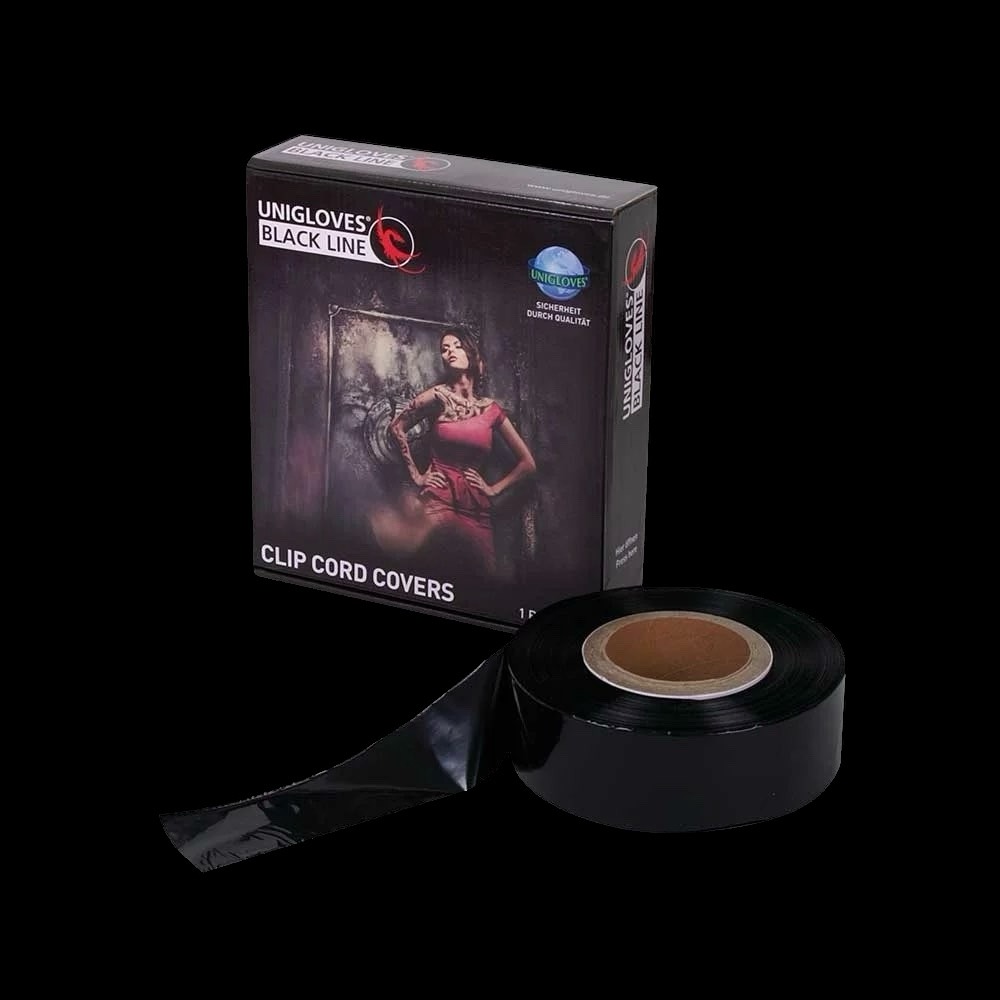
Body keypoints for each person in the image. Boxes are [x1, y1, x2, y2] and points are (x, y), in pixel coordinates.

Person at [384, 330, 536, 575]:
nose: (450, 351)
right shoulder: (437, 396)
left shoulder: (491, 409)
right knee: (432, 571)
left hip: (475, 507)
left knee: (483, 577)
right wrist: (417, 475)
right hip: (437, 499)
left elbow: (528, 464)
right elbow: (396, 427)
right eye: (444, 349)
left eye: (457, 345)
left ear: (472, 354)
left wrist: (493, 489)